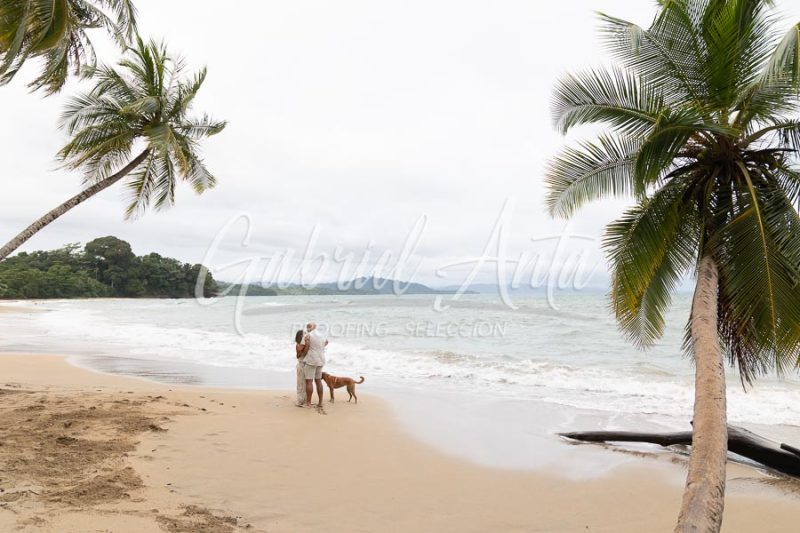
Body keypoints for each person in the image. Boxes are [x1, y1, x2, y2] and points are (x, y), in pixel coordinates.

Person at [300, 322, 328, 407]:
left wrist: (302, 355)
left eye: (308, 327)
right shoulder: (322, 335)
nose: (307, 328)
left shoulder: (308, 335)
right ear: (315, 327)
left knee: (309, 381)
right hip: (321, 359)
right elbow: (326, 343)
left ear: (310, 328)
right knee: (318, 381)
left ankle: (308, 403)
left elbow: (303, 347)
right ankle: (320, 402)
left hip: (311, 359)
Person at [293, 329, 308, 406]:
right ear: (300, 336)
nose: (306, 335)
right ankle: (300, 400)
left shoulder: (305, 344)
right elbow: (298, 356)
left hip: (305, 365)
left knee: (304, 383)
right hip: (301, 364)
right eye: (304, 334)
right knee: (301, 383)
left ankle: (303, 400)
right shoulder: (299, 345)